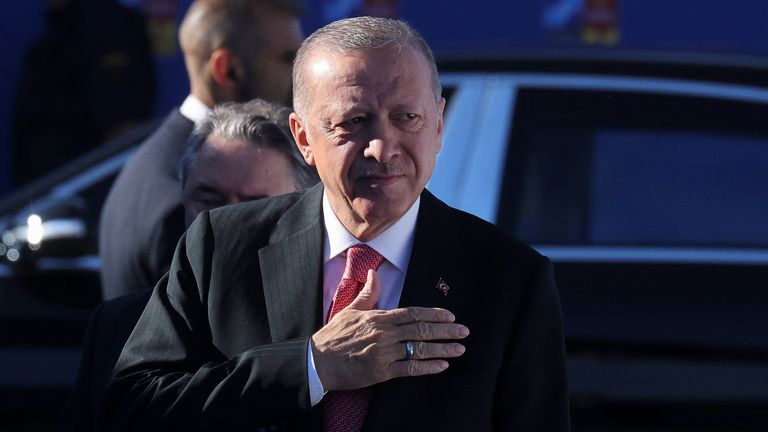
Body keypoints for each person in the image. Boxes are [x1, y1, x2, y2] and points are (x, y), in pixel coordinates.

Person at [100, 17, 570, 431]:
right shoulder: (221, 246)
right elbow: (129, 409)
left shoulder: (509, 278)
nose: (382, 148)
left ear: (439, 125)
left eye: (407, 118)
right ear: (303, 138)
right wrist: (312, 366)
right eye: (355, 122)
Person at [58, 99, 317, 432]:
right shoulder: (119, 326)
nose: (224, 221)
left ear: (303, 209)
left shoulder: (325, 324)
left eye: (255, 206)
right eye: (208, 201)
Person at [98, 0, 304, 301]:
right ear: (227, 69)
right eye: (287, 59)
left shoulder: (163, 159)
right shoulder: (190, 195)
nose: (301, 79)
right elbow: (208, 339)